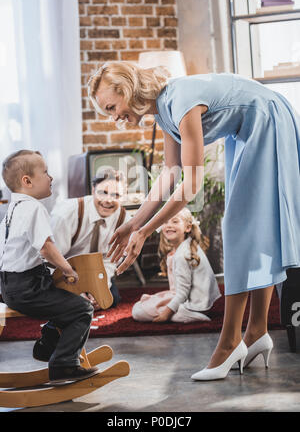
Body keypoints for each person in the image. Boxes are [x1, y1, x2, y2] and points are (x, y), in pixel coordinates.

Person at [88, 60, 300, 381]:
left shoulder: (181, 102)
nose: (114, 116)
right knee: (255, 230)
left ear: (127, 91)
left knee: (240, 229)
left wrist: (146, 231)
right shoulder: (163, 110)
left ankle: (230, 343)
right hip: (248, 130)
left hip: (267, 120)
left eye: (111, 107)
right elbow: (170, 174)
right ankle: (256, 332)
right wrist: (134, 224)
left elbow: (191, 186)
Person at [0, 150, 98, 384]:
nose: (51, 177)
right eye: (45, 172)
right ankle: (64, 365)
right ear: (27, 181)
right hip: (27, 287)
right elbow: (46, 247)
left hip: (9, 286)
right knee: (82, 309)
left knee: (67, 302)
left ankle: (47, 344)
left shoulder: (11, 210)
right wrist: (68, 270)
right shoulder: (33, 208)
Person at [50, 169, 131, 310]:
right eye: (103, 192)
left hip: (94, 270)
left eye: (116, 195)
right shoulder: (67, 213)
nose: (108, 200)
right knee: (72, 303)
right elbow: (52, 260)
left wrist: (101, 286)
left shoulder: (124, 221)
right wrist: (75, 289)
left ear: (124, 197)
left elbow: (110, 261)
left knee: (112, 299)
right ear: (93, 190)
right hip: (63, 270)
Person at [132, 207, 221, 323]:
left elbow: (182, 293)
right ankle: (181, 312)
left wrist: (165, 315)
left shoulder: (182, 255)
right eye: (165, 222)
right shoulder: (187, 247)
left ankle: (189, 315)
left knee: (138, 311)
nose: (169, 225)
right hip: (199, 301)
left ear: (188, 227)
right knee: (142, 304)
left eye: (175, 221)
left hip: (194, 305)